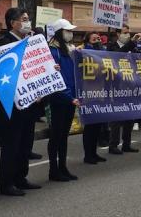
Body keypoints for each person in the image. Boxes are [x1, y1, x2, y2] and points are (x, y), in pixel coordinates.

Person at [0, 8, 42, 196]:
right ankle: (6, 183)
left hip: (30, 102)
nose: (27, 22)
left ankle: (21, 177)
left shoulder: (29, 43)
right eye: (24, 19)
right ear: (12, 22)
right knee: (12, 144)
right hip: (13, 103)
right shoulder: (4, 44)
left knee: (25, 142)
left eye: (28, 19)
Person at [46, 19, 80, 181]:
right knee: (56, 135)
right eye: (67, 30)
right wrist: (69, 97)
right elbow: (56, 80)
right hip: (59, 99)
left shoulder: (67, 50)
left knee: (64, 135)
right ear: (60, 32)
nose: (70, 33)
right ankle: (54, 169)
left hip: (70, 99)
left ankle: (63, 167)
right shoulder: (53, 51)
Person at [106, 24, 141, 154]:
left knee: (130, 116)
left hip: (130, 84)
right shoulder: (111, 46)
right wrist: (131, 43)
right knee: (117, 116)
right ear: (117, 34)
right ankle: (113, 144)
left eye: (128, 32)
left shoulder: (132, 48)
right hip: (116, 86)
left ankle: (126, 143)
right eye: (125, 32)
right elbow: (116, 57)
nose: (127, 35)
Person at [81, 32, 108, 164]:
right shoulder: (84, 51)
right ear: (88, 40)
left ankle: (94, 153)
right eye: (94, 38)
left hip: (100, 91)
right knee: (90, 125)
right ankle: (88, 154)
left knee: (97, 124)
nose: (97, 39)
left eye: (98, 38)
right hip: (89, 92)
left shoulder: (101, 51)